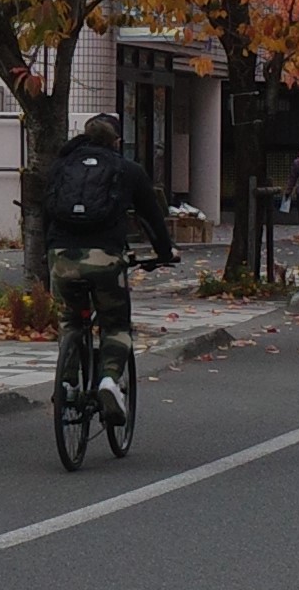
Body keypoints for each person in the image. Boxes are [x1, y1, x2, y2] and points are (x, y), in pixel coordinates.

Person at [44, 114, 177, 426]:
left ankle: (66, 384)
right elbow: (152, 217)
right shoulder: (128, 170)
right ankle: (108, 382)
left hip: (61, 256)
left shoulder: (61, 166)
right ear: (116, 141)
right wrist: (164, 252)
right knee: (115, 325)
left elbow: (46, 212)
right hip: (106, 257)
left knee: (70, 322)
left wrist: (47, 256)